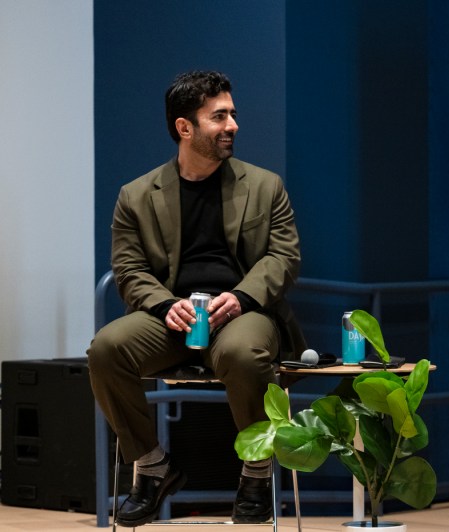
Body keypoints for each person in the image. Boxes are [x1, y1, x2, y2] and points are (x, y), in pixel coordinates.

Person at [87, 70, 305, 527]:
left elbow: (284, 257)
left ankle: (255, 474)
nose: (233, 125)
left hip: (244, 311)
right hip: (173, 316)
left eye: (232, 114)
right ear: (185, 128)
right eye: (218, 116)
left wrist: (243, 296)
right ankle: (151, 468)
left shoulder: (266, 186)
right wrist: (167, 305)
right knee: (106, 349)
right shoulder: (136, 195)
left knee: (244, 354)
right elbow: (129, 269)